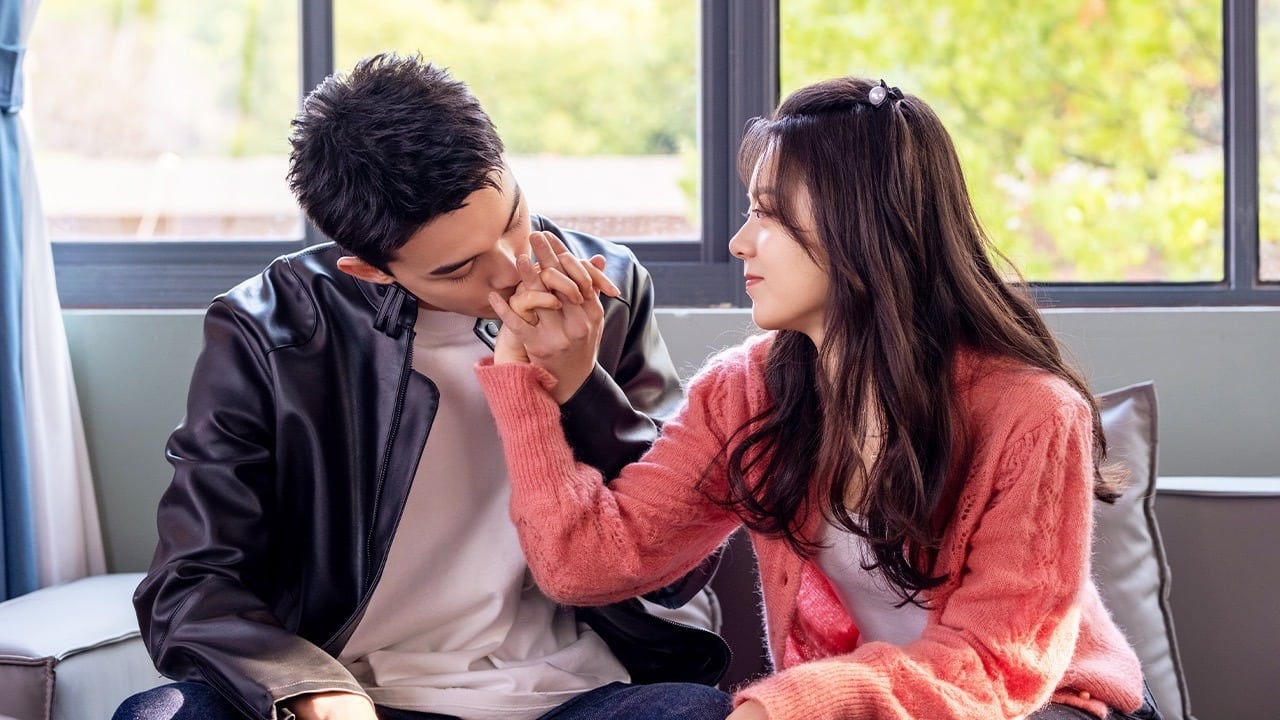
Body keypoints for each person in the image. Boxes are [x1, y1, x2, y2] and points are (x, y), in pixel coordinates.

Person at [477, 77, 1163, 720]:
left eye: (769, 214)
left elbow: (997, 664)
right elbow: (588, 564)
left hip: (1048, 706)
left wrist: (791, 703)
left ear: (864, 226)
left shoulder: (1032, 413)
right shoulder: (744, 391)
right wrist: (523, 385)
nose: (739, 242)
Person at [113, 53, 731, 720]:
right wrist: (310, 690)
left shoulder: (604, 287)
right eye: (459, 268)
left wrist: (581, 384)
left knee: (695, 713)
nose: (512, 270)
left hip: (569, 691)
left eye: (514, 219)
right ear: (370, 270)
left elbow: (676, 562)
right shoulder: (271, 331)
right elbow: (191, 582)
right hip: (357, 692)